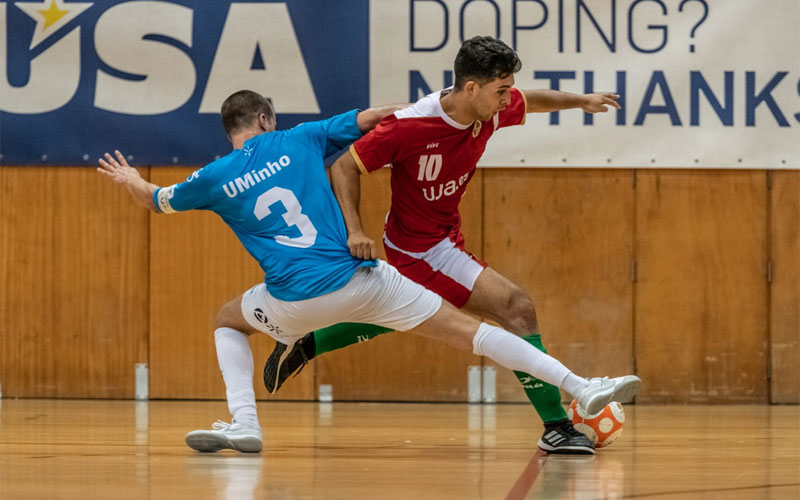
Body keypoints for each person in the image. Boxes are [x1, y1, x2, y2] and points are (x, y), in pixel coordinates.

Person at [98, 89, 639, 454]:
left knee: (227, 320)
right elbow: (380, 118)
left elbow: (154, 200)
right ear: (265, 119)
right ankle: (582, 385)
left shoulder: (211, 177)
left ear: (230, 131)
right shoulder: (301, 138)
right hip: (362, 278)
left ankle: (245, 423)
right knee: (479, 334)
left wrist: (128, 181)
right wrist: (433, 105)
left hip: (293, 300)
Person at [264, 36, 623, 455]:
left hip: (443, 240)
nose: (509, 99)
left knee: (400, 315)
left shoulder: (490, 110)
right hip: (420, 249)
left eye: (509, 88)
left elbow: (534, 98)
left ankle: (307, 342)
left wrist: (581, 100)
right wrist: (354, 231)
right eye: (501, 90)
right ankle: (557, 426)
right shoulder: (410, 125)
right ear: (470, 88)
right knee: (516, 308)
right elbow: (345, 165)